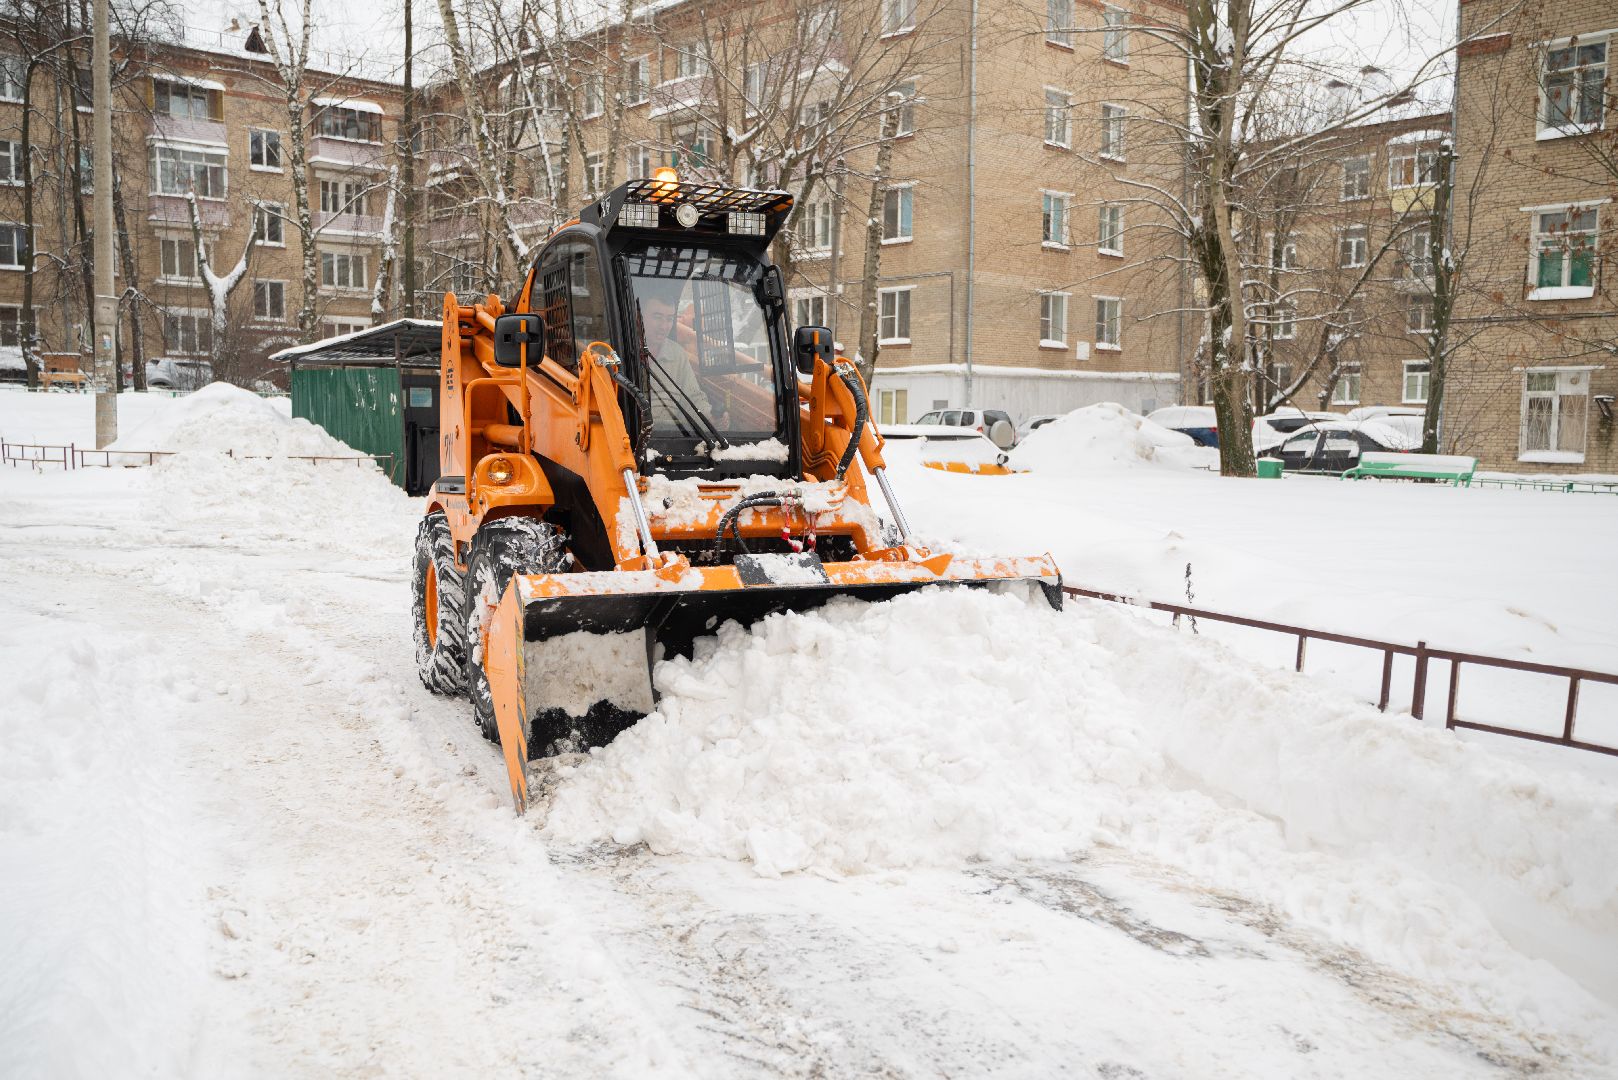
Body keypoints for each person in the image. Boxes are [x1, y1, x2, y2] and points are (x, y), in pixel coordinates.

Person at [640, 288, 720, 433]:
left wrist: (710, 419)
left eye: (669, 319)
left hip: (670, 437)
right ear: (639, 316)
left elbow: (692, 399)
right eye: (657, 317)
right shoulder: (613, 353)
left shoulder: (677, 355)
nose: (664, 326)